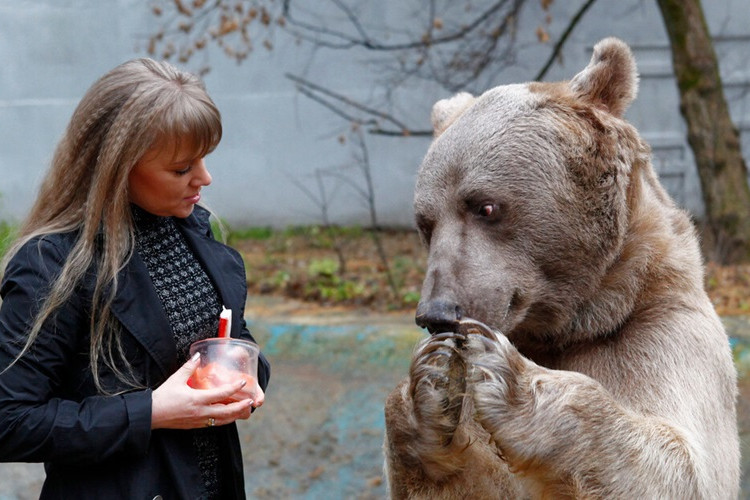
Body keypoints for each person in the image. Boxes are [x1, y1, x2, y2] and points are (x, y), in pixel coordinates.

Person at [0, 58, 270, 499]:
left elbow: (230, 336)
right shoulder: (52, 264)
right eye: (181, 168)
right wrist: (150, 412)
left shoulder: (193, 231)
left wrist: (247, 371)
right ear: (116, 168)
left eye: (203, 159)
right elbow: (10, 421)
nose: (204, 178)